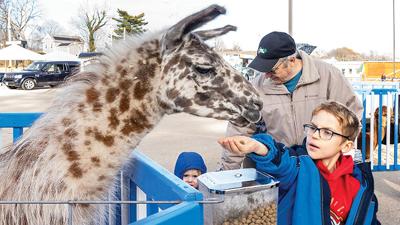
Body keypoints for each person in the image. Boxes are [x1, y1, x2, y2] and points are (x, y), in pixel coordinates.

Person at [219, 31, 363, 170]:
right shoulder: (255, 88)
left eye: (272, 69)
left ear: (292, 60)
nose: (267, 75)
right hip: (279, 166)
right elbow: (238, 131)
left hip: (324, 165)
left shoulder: (329, 75)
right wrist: (226, 173)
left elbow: (352, 115)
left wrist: (343, 153)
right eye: (264, 69)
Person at [218, 101, 380, 225]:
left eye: (326, 132)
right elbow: (280, 159)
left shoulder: (359, 184)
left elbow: (366, 216)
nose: (315, 135)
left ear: (346, 146)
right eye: (313, 127)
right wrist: (258, 146)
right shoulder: (299, 166)